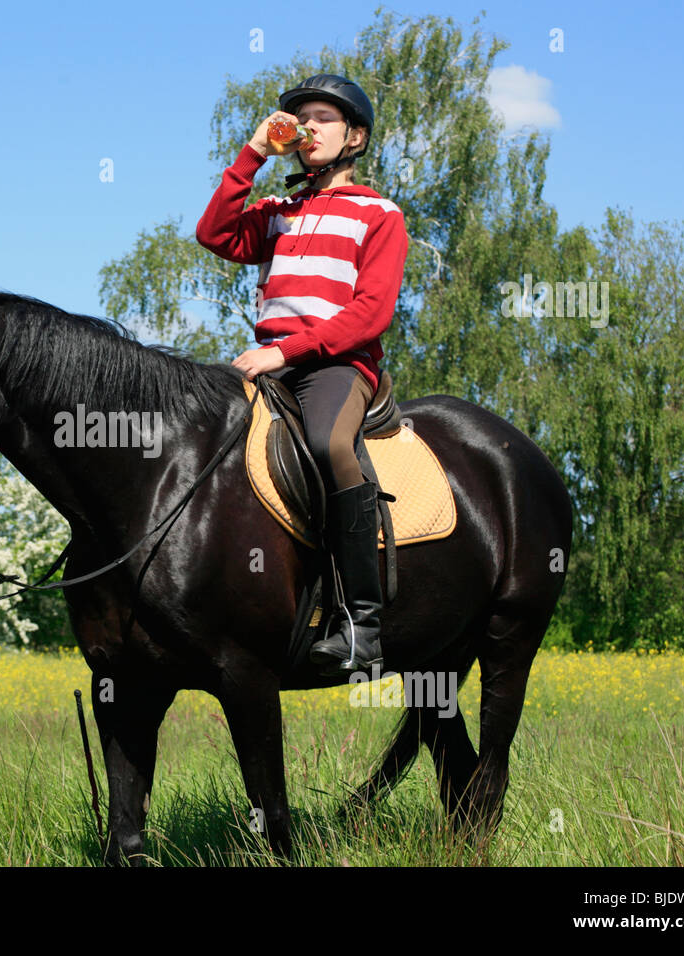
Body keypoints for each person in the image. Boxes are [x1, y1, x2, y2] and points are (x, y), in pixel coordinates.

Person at [196, 73, 408, 675]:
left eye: (324, 118)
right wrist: (254, 153)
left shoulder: (380, 214)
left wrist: (287, 354)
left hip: (337, 366)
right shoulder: (278, 213)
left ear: (355, 137)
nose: (309, 127)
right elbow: (213, 233)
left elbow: (370, 315)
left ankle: (360, 626)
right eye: (302, 118)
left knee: (325, 442)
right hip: (267, 364)